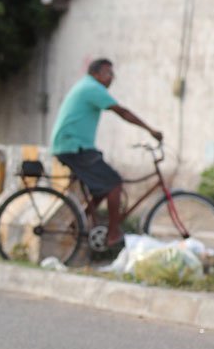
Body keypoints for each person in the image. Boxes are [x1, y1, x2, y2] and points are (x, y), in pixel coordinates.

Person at [50, 58, 162, 248]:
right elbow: (122, 112)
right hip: (73, 147)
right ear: (96, 74)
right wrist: (150, 130)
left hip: (75, 146)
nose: (112, 78)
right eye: (108, 73)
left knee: (102, 186)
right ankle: (113, 234)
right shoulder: (92, 88)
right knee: (114, 184)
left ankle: (79, 222)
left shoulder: (86, 86)